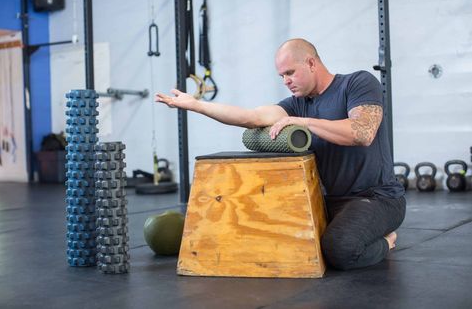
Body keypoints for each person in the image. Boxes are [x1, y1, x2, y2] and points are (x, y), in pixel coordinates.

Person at [156, 38, 406, 271]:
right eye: (281, 76)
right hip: (328, 201)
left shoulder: (357, 83)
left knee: (339, 250)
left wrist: (305, 122)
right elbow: (251, 118)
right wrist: (196, 105)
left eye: (289, 73)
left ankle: (387, 241)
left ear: (311, 63)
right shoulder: (296, 103)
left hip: (377, 198)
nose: (285, 81)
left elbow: (362, 132)